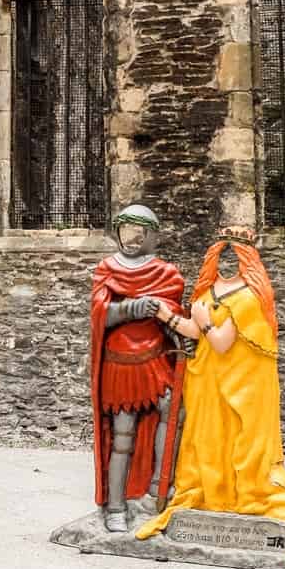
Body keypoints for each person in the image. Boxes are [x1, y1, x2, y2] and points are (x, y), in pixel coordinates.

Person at [135, 230, 285, 569]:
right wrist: (165, 316)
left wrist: (202, 324)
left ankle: (239, 496)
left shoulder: (249, 299)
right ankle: (209, 494)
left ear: (247, 258)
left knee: (237, 441)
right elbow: (194, 329)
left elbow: (218, 341)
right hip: (206, 384)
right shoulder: (206, 290)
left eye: (235, 254)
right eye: (222, 253)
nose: (227, 260)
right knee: (206, 440)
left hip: (238, 388)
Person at [88, 204, 188, 532]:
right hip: (121, 363)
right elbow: (100, 313)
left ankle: (159, 487)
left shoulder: (166, 272)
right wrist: (130, 308)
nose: (131, 239)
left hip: (155, 358)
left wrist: (163, 312)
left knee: (174, 412)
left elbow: (174, 311)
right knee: (122, 435)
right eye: (126, 231)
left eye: (138, 232)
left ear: (150, 236)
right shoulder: (106, 268)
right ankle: (115, 506)